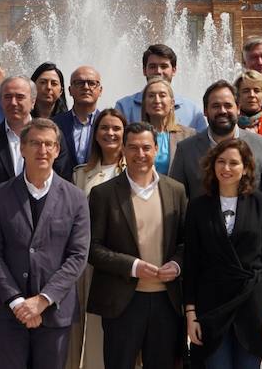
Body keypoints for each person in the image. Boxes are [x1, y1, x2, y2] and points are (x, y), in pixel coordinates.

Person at [0, 118, 90, 369]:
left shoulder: (76, 197)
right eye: (35, 143)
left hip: (54, 312)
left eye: (48, 144)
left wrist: (42, 300)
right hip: (9, 313)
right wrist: (18, 302)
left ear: (57, 150)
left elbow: (77, 256)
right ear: (22, 148)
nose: (42, 150)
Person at [87, 122, 186, 369]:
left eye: (146, 148)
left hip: (166, 301)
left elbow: (187, 243)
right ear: (123, 150)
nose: (140, 154)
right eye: (132, 148)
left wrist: (177, 264)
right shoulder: (103, 194)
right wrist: (132, 266)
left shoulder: (176, 190)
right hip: (122, 301)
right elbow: (92, 248)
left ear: (156, 150)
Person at [186, 136, 262, 369]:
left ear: (246, 167)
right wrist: (190, 313)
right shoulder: (198, 206)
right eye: (221, 161)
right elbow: (191, 262)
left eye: (234, 163)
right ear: (212, 164)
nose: (226, 168)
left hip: (252, 304)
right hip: (212, 305)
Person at [67, 107, 126, 369]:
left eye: (116, 128)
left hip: (121, 262)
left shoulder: (134, 173)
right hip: (86, 263)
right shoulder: (80, 174)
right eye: (104, 128)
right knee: (84, 330)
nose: (110, 133)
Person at [169, 80, 262, 196]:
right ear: (205, 111)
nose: (222, 111)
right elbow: (176, 199)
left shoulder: (261, 146)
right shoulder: (186, 149)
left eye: (228, 105)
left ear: (238, 109)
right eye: (216, 106)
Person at [0, 75, 73, 193]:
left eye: (20, 97)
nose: (13, 103)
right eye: (8, 97)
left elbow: (62, 178)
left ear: (33, 102)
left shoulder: (52, 137)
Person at [113, 44, 206, 130]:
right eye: (153, 66)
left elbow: (202, 145)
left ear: (174, 70)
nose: (158, 71)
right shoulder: (123, 107)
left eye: (164, 66)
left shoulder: (193, 112)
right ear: (144, 70)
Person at [141, 76, 195, 175]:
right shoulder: (134, 135)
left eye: (162, 95)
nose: (157, 100)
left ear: (172, 103)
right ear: (144, 103)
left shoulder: (189, 136)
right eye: (151, 96)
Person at [54, 66, 103, 166]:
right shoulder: (55, 124)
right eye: (79, 83)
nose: (85, 87)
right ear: (70, 90)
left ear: (100, 90)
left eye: (92, 83)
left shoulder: (109, 125)